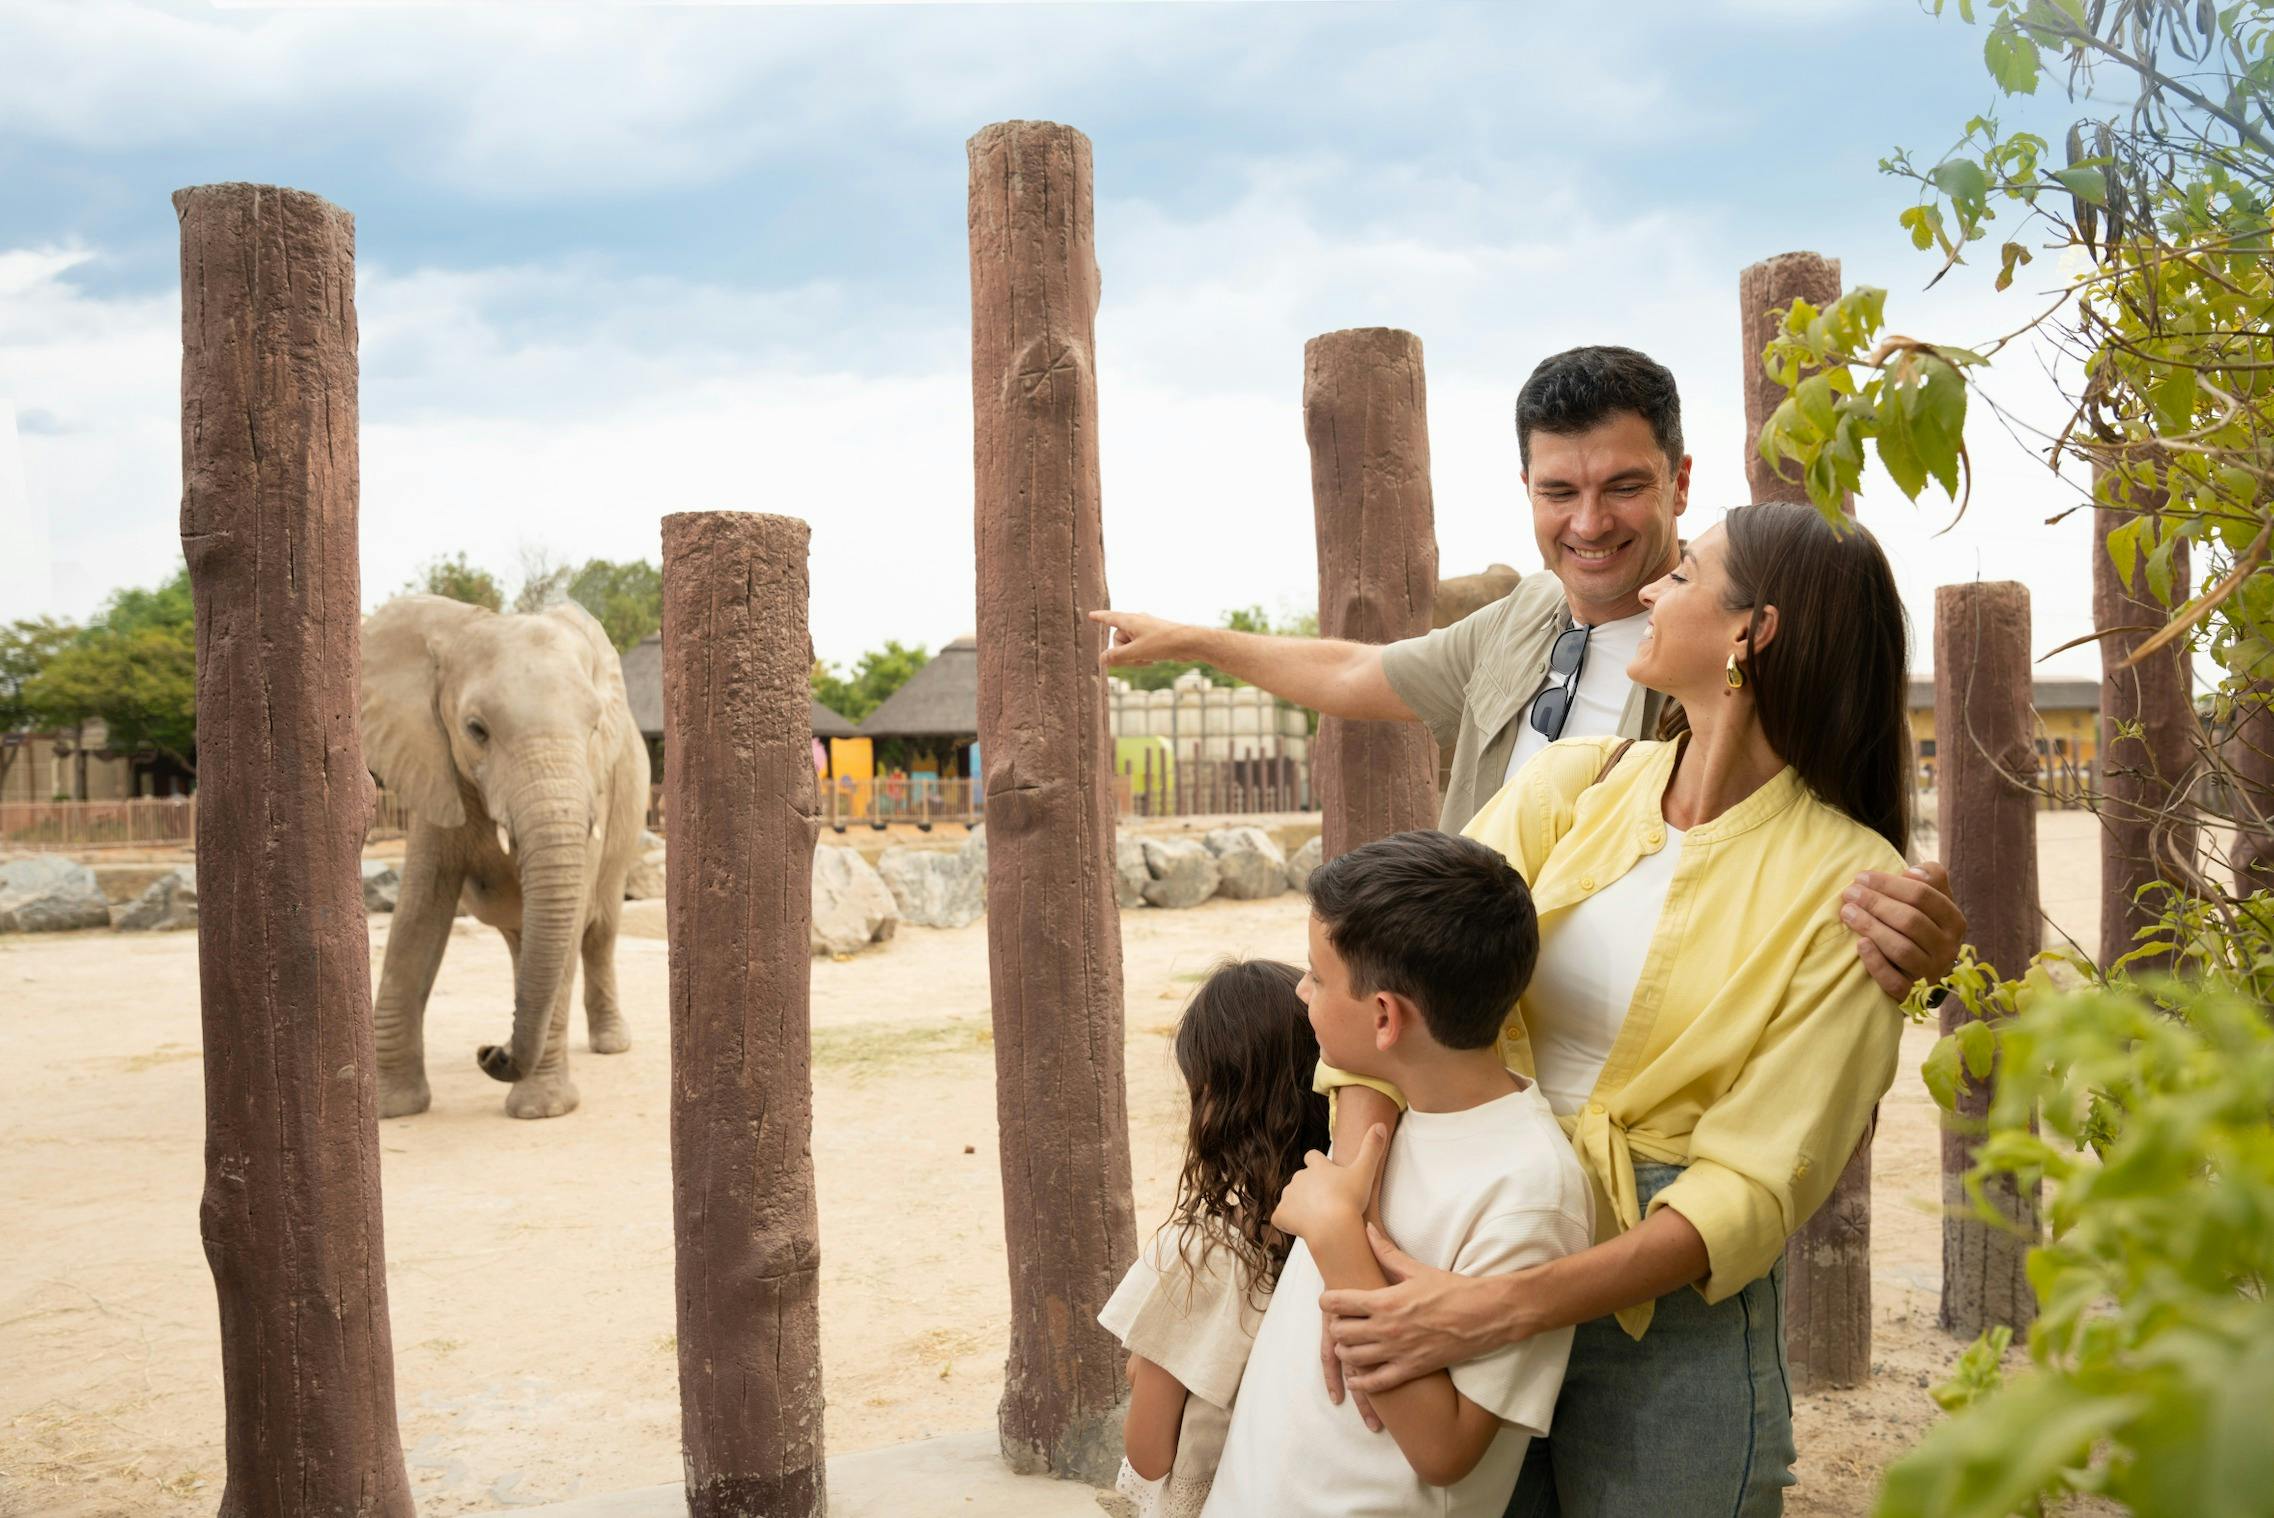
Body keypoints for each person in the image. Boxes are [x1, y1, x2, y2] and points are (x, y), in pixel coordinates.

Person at [1318, 503, 1921, 1516]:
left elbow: (1751, 1184)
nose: (1649, 589)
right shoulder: (1572, 783)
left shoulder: (1854, 886)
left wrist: (1496, 1309)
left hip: (1664, 1313)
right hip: (1459, 1238)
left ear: (1750, 631)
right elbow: (1388, 979)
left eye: (1682, 576)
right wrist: (1356, 1208)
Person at [1089, 344, 1964, 1003]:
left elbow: (1844, 851)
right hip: (1473, 1022)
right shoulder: (1525, 614)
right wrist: (1197, 641)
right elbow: (1358, 673)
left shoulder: (1737, 660)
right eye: (1559, 493)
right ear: (1527, 487)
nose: (1589, 523)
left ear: (1680, 482)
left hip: (1643, 1033)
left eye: (1623, 487)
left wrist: (1918, 945)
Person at [1200, 830, 1594, 1516]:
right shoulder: (1390, 1116)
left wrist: (1337, 1235)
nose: (1302, 990)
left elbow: (1445, 1449)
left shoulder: (1528, 1193)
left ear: (1385, 1017)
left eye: (1318, 977)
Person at [1098, 958, 1328, 1518]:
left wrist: (1145, 1365)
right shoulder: (1330, 1227)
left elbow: (1149, 1454)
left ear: (1213, 1102)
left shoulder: (1202, 1256)